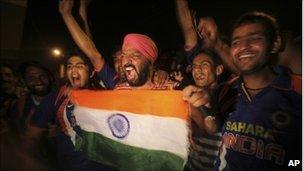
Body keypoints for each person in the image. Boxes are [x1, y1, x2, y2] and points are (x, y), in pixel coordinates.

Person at [214, 11, 301, 171]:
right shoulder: (225, 91)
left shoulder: (297, 93)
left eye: (254, 38)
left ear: (275, 44)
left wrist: (292, 163)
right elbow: (214, 131)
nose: (243, 47)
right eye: (236, 42)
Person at [26, 53, 114, 170]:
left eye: (80, 66)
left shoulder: (105, 96)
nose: (73, 70)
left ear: (91, 72)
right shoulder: (56, 97)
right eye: (69, 66)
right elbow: (32, 135)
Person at [59, 0, 169, 89]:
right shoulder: (117, 86)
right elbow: (92, 53)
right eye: (123, 56)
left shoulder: (170, 90)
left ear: (151, 63)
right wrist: (67, 14)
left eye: (135, 55)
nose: (125, 61)